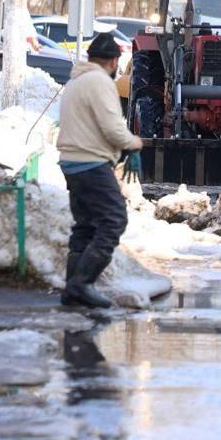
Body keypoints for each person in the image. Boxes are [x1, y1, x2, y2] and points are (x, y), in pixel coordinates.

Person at [55, 33, 144, 308]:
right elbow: (112, 127)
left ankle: (72, 289)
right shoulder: (100, 81)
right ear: (114, 61)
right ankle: (81, 284)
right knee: (113, 220)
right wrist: (134, 143)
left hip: (72, 162)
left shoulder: (76, 80)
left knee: (86, 226)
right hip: (91, 163)